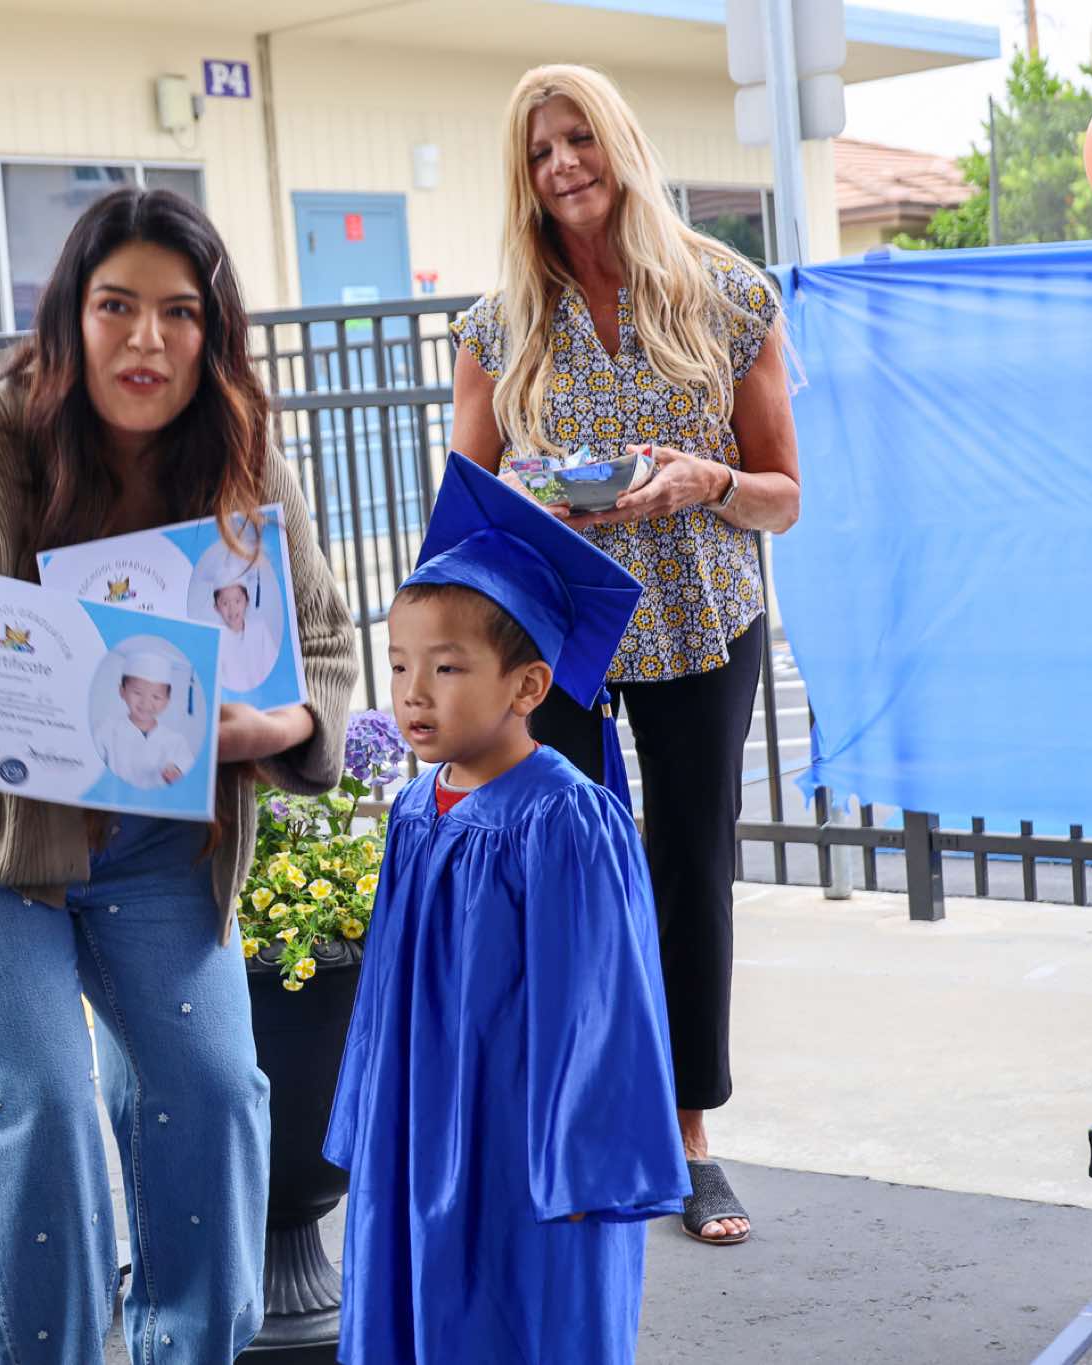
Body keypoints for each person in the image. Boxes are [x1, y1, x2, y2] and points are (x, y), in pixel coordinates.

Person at [0, 187, 359, 1363]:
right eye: (116, 306)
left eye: (179, 312)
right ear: (70, 316)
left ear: (213, 332)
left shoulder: (240, 454)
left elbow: (320, 648)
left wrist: (270, 729)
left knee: (212, 1092)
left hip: (154, 840)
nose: (145, 340)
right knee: (39, 1110)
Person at [448, 63, 802, 1245]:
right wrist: (526, 499)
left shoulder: (726, 296)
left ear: (619, 146)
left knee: (686, 867)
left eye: (578, 139)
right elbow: (463, 505)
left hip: (700, 620)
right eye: (539, 150)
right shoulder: (497, 324)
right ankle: (575, 1123)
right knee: (559, 869)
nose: (561, 165)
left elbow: (782, 494)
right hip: (553, 634)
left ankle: (688, 1138)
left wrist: (706, 482)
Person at [324, 454, 689, 1363]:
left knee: (523, 1305)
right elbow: (384, 994)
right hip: (422, 1117)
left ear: (528, 686)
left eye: (447, 667)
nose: (413, 692)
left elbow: (603, 1005)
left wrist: (583, 1158)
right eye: (399, 664)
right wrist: (373, 1113)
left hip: (525, 1136)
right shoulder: (416, 809)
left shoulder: (565, 818)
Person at [96, 650, 195, 788]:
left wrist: (176, 772)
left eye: (156, 697)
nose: (146, 703)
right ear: (122, 691)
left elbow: (188, 771)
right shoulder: (106, 731)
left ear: (167, 700)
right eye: (137, 693)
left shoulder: (176, 742)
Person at [212, 566, 280, 692]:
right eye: (225, 603)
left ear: (247, 601)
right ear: (216, 607)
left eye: (237, 601)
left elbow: (273, 667)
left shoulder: (260, 630)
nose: (232, 609)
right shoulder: (216, 640)